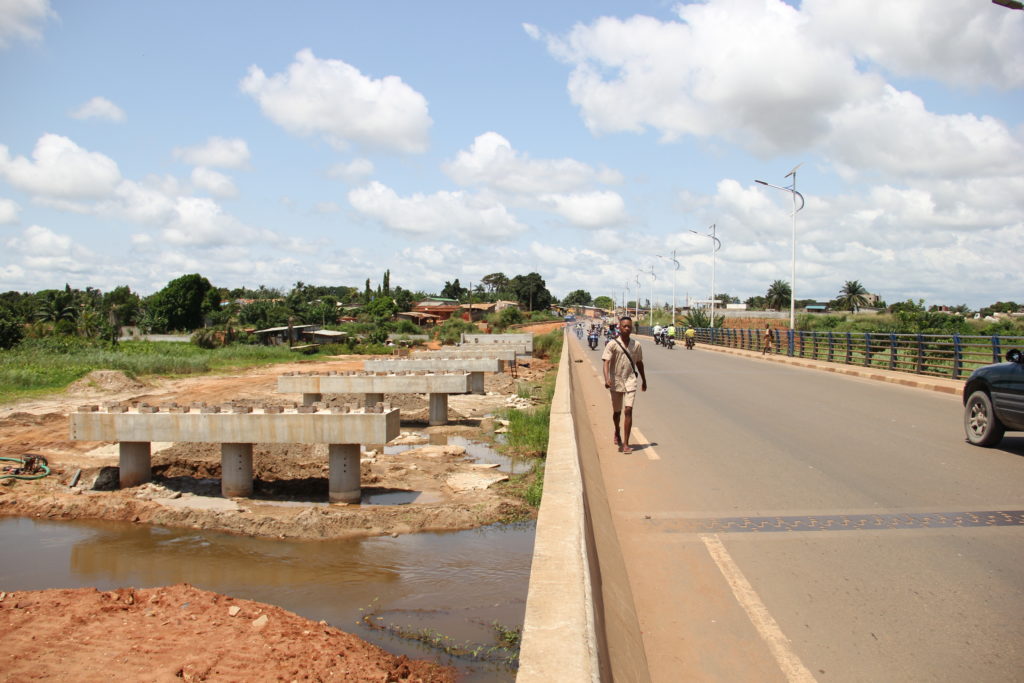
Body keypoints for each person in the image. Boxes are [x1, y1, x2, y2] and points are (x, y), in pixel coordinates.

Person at [602, 316, 647, 454]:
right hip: (616, 381)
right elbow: (606, 362)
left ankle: (626, 443)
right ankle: (617, 430)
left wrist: (644, 380)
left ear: (631, 328)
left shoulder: (636, 345)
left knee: (628, 410)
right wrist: (607, 378)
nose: (627, 328)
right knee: (617, 412)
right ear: (619, 328)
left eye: (629, 326)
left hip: (630, 380)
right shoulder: (612, 344)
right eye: (624, 326)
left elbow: (639, 362)